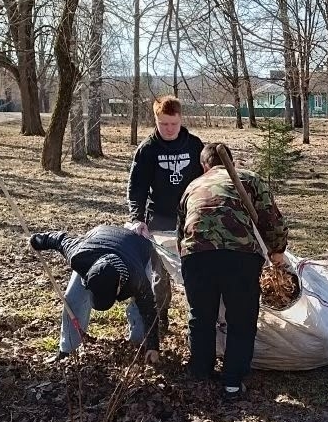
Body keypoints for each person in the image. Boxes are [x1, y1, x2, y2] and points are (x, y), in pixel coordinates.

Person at [177, 143, 288, 397]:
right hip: (240, 257)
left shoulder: (193, 186)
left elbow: (180, 229)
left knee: (201, 317)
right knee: (241, 319)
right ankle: (232, 382)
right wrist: (277, 250)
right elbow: (272, 218)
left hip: (196, 255)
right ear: (233, 163)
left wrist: (187, 265)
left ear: (204, 165)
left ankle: (200, 376)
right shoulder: (248, 179)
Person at [126, 95, 203, 336]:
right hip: (158, 221)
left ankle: (200, 321)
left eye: (173, 124)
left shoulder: (194, 145)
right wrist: (137, 218)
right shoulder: (148, 150)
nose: (169, 129)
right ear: (156, 120)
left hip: (191, 219)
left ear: (181, 119)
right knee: (160, 278)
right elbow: (136, 188)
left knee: (195, 273)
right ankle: (158, 322)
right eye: (163, 124)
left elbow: (206, 179)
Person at [29, 225, 160, 363]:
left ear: (119, 287)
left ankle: (138, 346)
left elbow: (149, 308)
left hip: (137, 247)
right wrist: (36, 240)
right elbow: (59, 239)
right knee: (73, 299)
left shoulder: (137, 279)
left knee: (139, 307)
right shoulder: (79, 255)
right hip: (97, 240)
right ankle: (67, 351)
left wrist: (153, 346)